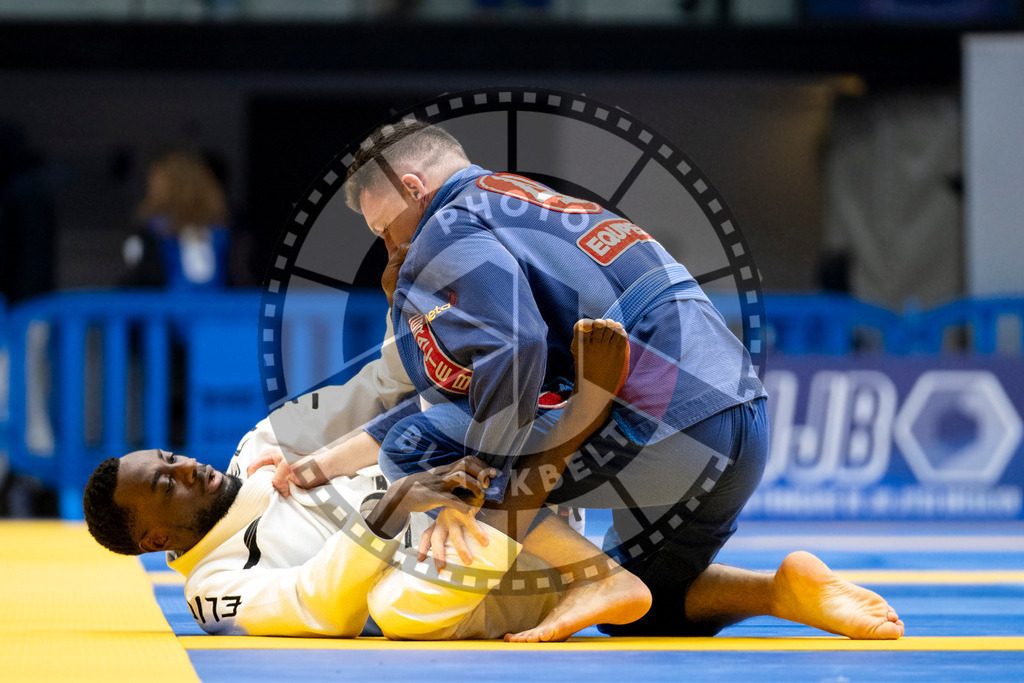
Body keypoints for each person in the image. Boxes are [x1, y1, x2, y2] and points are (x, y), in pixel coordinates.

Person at [337, 119, 904, 640]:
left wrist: (469, 486)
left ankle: (596, 576)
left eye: (385, 229)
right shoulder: (522, 200)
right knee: (645, 607)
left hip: (662, 418)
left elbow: (513, 347)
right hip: (741, 419)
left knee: (415, 450)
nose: (391, 248)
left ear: (415, 189)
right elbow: (497, 368)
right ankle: (780, 591)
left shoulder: (444, 224)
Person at [82, 318, 653, 640]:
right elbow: (321, 606)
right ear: (155, 539)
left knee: (409, 419)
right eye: (167, 486)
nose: (185, 467)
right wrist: (391, 508)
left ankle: (556, 390)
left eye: (170, 457)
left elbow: (378, 387)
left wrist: (404, 297)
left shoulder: (262, 443)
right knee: (396, 608)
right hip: (497, 569)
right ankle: (580, 419)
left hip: (502, 477)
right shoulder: (211, 590)